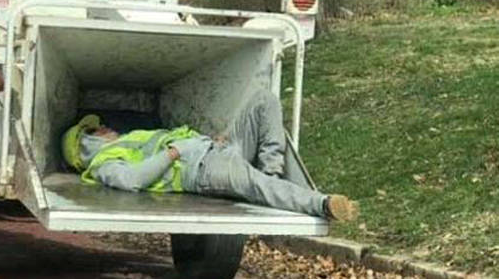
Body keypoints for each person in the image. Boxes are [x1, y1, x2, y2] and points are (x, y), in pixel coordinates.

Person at [61, 90, 358, 221]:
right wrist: (177, 152)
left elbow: (171, 141)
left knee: (264, 100)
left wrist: (203, 140)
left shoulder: (127, 141)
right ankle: (321, 203)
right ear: (86, 144)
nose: (105, 128)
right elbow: (132, 180)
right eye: (97, 131)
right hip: (202, 169)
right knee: (255, 184)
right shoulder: (103, 165)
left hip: (214, 149)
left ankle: (271, 175)